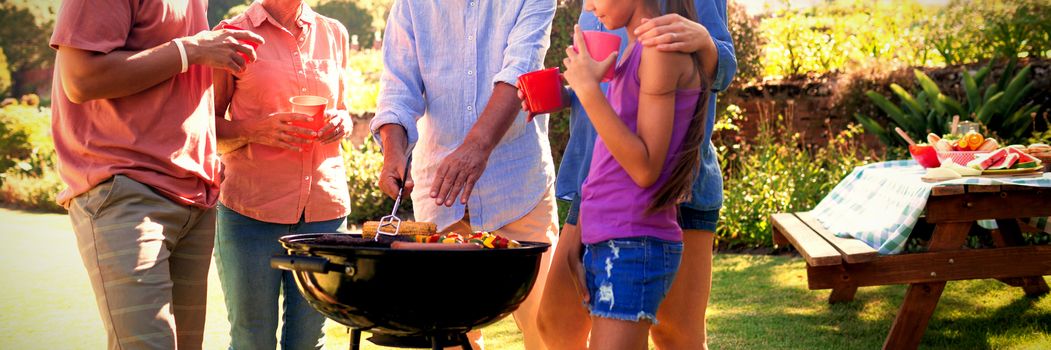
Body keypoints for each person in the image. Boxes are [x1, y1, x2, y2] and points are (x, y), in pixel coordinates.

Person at [49, 0, 264, 349]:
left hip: (195, 198)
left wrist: (207, 50)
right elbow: (81, 79)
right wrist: (190, 49)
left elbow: (168, 73)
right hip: (127, 191)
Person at [536, 0, 736, 348]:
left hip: (666, 191)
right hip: (600, 185)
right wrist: (570, 93)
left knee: (675, 334)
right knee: (556, 323)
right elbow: (615, 93)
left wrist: (704, 42)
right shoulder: (618, 22)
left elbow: (719, 71)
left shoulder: (657, 41)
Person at [371, 0, 558, 348]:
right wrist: (393, 152)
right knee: (451, 337)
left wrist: (476, 148)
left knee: (550, 332)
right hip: (441, 195)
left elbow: (521, 70)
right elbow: (398, 89)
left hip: (518, 187)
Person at [210, 0, 353, 349]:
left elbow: (345, 110)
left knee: (308, 341)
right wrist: (254, 130)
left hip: (323, 213)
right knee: (251, 338)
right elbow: (203, 127)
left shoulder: (334, 32)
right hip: (250, 214)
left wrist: (342, 122)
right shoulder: (231, 36)